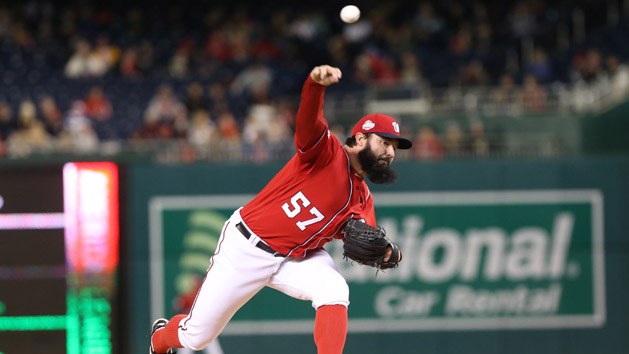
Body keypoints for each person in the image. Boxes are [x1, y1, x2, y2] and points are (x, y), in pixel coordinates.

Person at [149, 65, 413, 354]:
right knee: (196, 337)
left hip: (295, 258)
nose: (390, 152)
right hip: (246, 247)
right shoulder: (326, 152)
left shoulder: (363, 199)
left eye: (394, 148)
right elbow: (309, 118)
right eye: (384, 142)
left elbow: (368, 241)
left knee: (335, 290)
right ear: (361, 139)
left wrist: (389, 252)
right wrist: (315, 85)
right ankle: (160, 339)